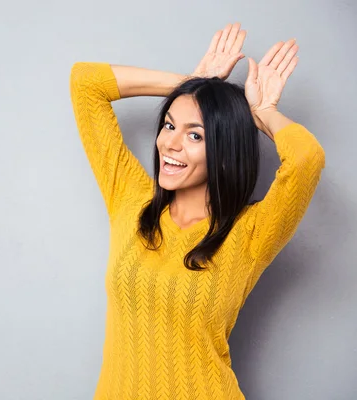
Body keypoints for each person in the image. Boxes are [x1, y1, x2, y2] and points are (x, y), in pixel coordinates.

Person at [69, 22, 325, 400]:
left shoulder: (250, 233)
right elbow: (85, 82)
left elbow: (306, 158)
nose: (170, 144)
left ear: (224, 151)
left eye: (195, 135)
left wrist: (262, 110)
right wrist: (193, 83)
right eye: (170, 125)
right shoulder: (130, 199)